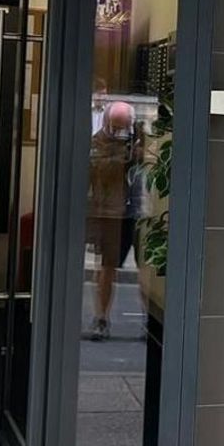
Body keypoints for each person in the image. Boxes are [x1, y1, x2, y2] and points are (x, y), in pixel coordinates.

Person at [85, 100, 145, 341]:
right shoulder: (98, 143)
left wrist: (139, 150)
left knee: (146, 271)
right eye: (117, 126)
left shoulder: (139, 143)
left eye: (126, 126)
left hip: (137, 212)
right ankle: (101, 318)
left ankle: (149, 320)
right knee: (107, 268)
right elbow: (99, 172)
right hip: (110, 214)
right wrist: (121, 154)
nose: (121, 131)